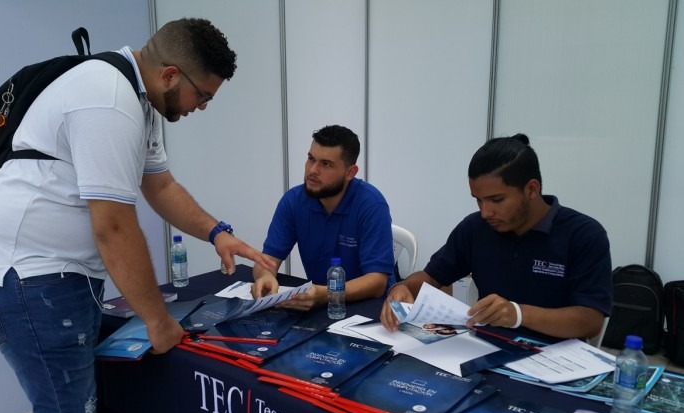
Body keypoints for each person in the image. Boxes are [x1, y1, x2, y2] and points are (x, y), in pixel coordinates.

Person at [0, 18, 274, 413]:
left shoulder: (138, 100)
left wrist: (216, 233)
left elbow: (160, 188)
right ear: (171, 75)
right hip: (28, 278)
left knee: (77, 403)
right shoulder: (109, 99)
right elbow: (114, 227)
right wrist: (157, 321)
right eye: (203, 95)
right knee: (70, 412)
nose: (203, 107)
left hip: (42, 275)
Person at [380, 134, 612, 342]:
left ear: (532, 189)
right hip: (487, 347)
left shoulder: (583, 235)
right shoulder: (475, 228)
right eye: (478, 200)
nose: (485, 212)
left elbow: (590, 320)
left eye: (497, 200)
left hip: (556, 357)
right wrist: (401, 288)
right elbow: (432, 276)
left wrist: (518, 314)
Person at [251, 125, 395, 310]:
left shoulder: (372, 205)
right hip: (321, 306)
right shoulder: (294, 201)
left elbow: (377, 282)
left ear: (350, 172)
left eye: (325, 164)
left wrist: (326, 294)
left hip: (367, 311)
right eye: (311, 159)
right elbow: (267, 260)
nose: (312, 170)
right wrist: (265, 276)